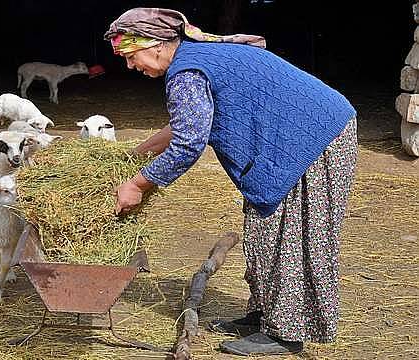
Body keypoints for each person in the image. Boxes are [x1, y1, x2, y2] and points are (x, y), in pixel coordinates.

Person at [106, 8, 358, 356]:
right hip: (298, 134)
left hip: (312, 139)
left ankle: (285, 333)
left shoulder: (187, 71)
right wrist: (138, 153)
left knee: (290, 233)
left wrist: (136, 184)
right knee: (263, 230)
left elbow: (188, 144)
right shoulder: (194, 56)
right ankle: (265, 315)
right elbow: (188, 123)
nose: (132, 67)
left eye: (131, 57)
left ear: (158, 44)